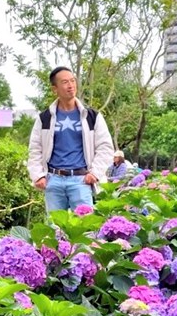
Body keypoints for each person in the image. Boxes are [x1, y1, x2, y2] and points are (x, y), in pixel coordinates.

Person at [27, 67, 115, 213]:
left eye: (73, 81)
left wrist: (95, 173)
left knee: (85, 228)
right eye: (65, 82)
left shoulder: (91, 116)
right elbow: (35, 148)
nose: (71, 85)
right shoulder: (45, 118)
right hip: (53, 180)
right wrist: (38, 175)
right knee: (55, 229)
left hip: (81, 179)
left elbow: (105, 147)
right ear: (55, 89)